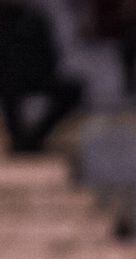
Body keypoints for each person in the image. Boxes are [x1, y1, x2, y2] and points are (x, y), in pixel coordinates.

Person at [0, 0, 86, 156]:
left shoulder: (36, 19)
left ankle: (33, 138)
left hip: (36, 75)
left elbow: (50, 55)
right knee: (8, 86)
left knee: (72, 90)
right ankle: (18, 138)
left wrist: (35, 71)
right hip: (8, 77)